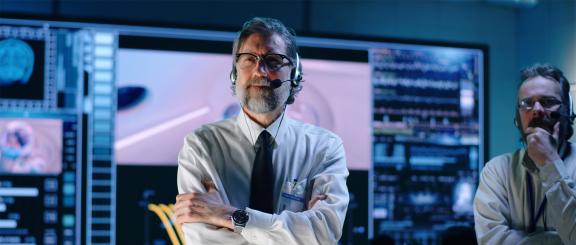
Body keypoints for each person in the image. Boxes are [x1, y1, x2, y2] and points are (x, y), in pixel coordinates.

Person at [173, 17, 349, 244]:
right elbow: (204, 241)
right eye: (248, 59)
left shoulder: (324, 148)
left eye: (273, 60)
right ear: (235, 73)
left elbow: (323, 233)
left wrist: (229, 216)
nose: (260, 71)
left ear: (293, 74)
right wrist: (296, 231)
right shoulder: (201, 146)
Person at [474, 64, 576, 244]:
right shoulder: (496, 171)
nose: (536, 110)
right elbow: (492, 241)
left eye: (548, 101)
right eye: (526, 103)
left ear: (567, 111)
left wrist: (550, 163)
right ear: (517, 118)